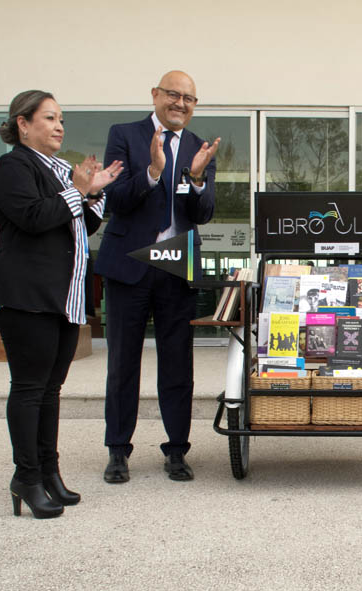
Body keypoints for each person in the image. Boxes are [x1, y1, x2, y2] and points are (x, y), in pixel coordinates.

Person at [0, 90, 123, 518]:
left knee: (50, 390)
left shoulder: (61, 172)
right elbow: (33, 218)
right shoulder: (12, 167)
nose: (59, 125)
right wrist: (77, 192)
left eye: (61, 118)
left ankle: (48, 472)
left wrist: (92, 195)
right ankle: (26, 477)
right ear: (22, 124)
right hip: (27, 299)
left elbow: (77, 225)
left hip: (62, 300)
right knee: (29, 389)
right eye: (49, 118)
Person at [96, 71, 220, 483]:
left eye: (188, 98)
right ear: (155, 95)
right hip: (130, 262)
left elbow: (202, 214)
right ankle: (118, 450)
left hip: (175, 266)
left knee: (177, 364)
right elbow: (114, 199)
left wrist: (198, 178)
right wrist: (151, 172)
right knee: (123, 363)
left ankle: (177, 450)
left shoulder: (201, 148)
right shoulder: (125, 134)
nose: (180, 103)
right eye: (173, 94)